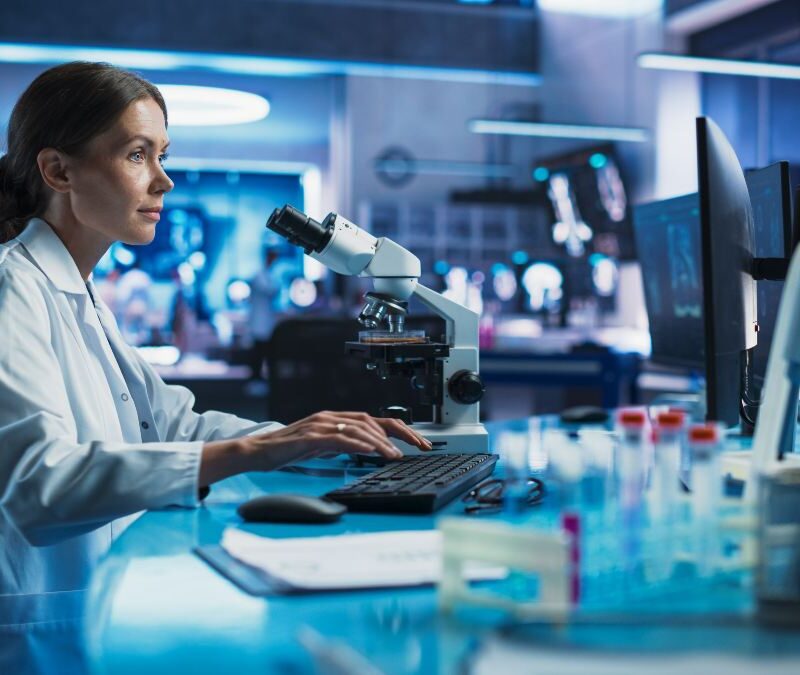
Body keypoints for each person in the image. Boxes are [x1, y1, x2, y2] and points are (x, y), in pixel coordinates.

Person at [0, 61, 431, 673]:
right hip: (34, 636)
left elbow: (175, 425)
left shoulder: (79, 290)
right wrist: (255, 453)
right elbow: (40, 484)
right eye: (137, 155)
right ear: (58, 170)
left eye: (162, 154)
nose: (164, 181)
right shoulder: (12, 288)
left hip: (93, 611)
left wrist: (304, 438)